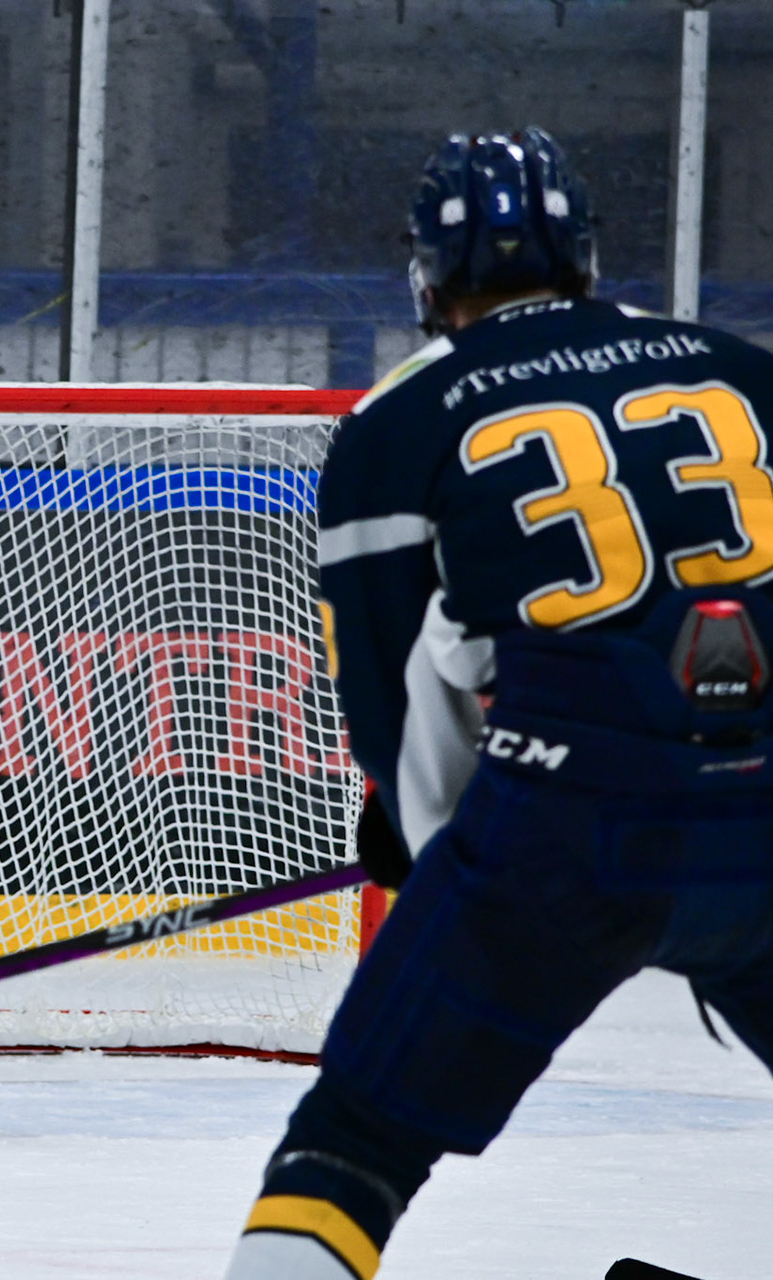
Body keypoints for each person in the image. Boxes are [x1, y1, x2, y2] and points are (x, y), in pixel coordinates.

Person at [225, 128, 773, 1277]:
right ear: (585, 254)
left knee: (354, 1143)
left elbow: (397, 702)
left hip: (571, 820)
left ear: (426, 275)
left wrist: (431, 844)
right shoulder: (741, 366)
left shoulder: (397, 423)